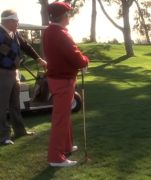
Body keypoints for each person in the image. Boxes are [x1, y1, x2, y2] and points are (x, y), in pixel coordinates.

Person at [43, 2, 89, 167]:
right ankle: (56, 157)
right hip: (63, 80)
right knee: (61, 118)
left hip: (59, 78)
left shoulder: (50, 31)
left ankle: (66, 146)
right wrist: (85, 61)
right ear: (63, 16)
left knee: (65, 115)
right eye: (68, 14)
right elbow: (75, 56)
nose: (69, 16)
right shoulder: (60, 33)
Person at [0, 9, 47, 145]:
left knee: (15, 103)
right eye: (16, 21)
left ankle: (20, 131)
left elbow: (26, 46)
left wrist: (38, 59)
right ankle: (3, 136)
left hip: (15, 72)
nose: (18, 23)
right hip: (2, 73)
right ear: (8, 21)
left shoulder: (15, 33)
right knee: (2, 106)